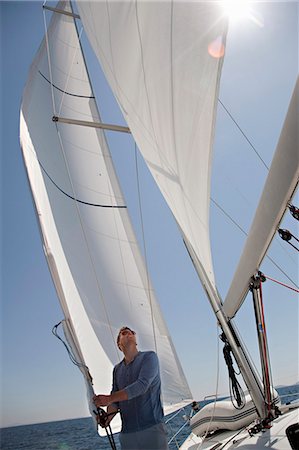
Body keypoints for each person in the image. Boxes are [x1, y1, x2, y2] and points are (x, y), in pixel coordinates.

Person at [93, 326, 169, 449]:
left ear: (136, 340)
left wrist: (109, 399)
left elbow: (142, 385)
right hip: (127, 435)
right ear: (119, 344)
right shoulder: (117, 370)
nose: (129, 333)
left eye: (132, 332)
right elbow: (115, 402)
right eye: (123, 333)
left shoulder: (150, 357)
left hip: (152, 430)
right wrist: (107, 419)